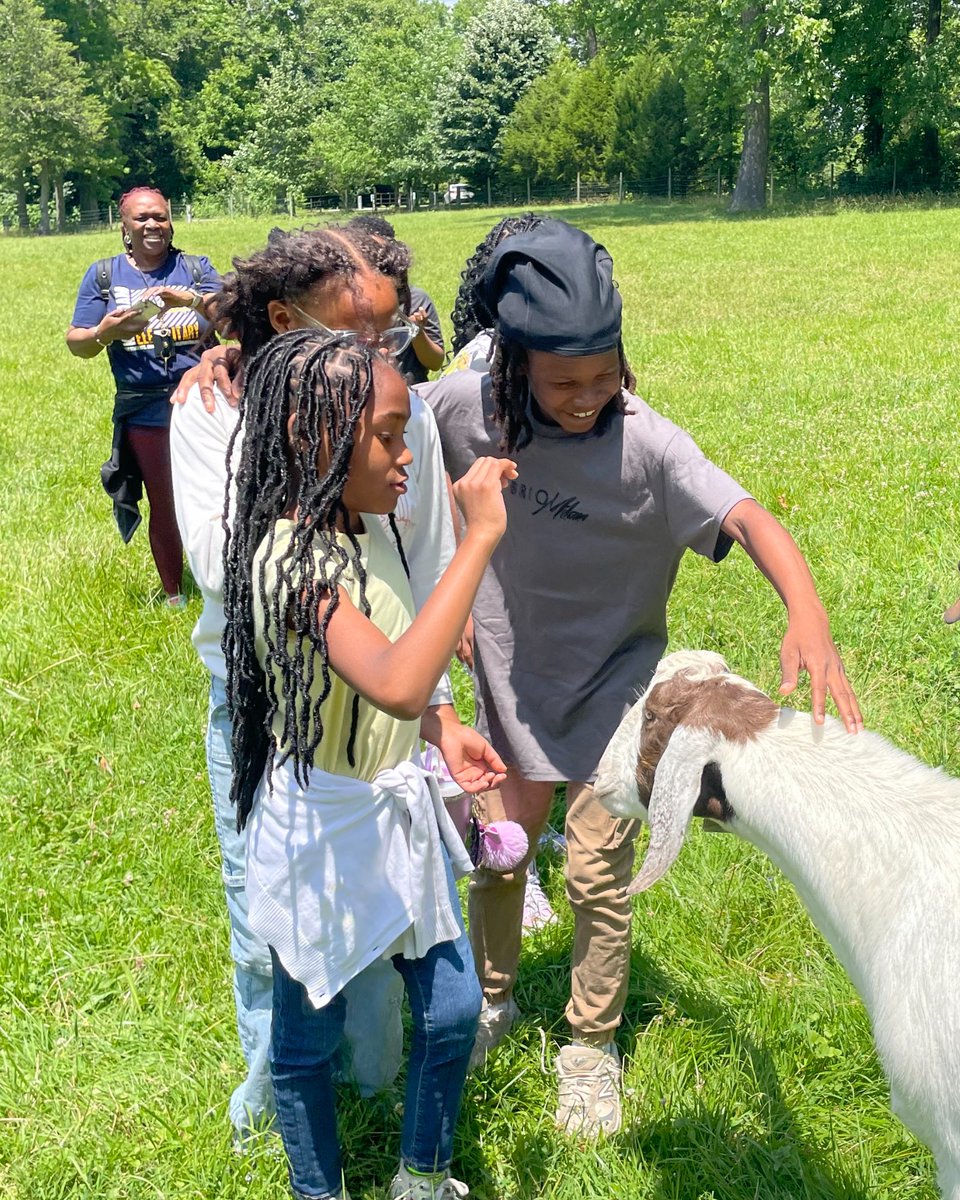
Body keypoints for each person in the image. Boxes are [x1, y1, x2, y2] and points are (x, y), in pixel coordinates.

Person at [418, 218, 863, 1138]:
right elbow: (379, 421)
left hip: (615, 697)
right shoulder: (465, 407)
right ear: (512, 367)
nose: (587, 398)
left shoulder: (650, 445)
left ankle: (591, 1045)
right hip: (505, 680)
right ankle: (491, 1000)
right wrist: (225, 368)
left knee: (595, 874)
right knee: (499, 857)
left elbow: (748, 517)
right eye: (563, 382)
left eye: (604, 374)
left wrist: (806, 611)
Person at [169, 224, 505, 1141]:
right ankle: (277, 1099)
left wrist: (436, 714)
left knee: (394, 901)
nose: (381, 358)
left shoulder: (402, 414)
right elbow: (220, 562)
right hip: (271, 710)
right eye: (359, 336)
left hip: (389, 715)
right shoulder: (216, 411)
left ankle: (370, 1083)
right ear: (283, 320)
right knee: (271, 912)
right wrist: (289, 447)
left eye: (392, 336)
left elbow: (425, 557)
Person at [223, 329, 516, 1199]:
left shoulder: (373, 529)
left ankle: (421, 1175)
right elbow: (390, 676)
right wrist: (477, 539)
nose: (405, 459)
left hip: (393, 800)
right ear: (315, 437)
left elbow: (399, 676)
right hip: (321, 820)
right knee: (305, 1035)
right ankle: (321, 1189)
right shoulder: (286, 558)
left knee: (455, 1008)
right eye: (387, 437)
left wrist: (442, 729)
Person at [66, 186, 220, 607]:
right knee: (164, 499)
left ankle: (225, 585)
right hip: (144, 407)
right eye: (142, 219)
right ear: (125, 228)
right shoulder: (105, 275)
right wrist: (106, 332)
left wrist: (185, 298)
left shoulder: (194, 267)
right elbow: (76, 342)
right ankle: (174, 595)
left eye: (160, 217)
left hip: (204, 401)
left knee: (221, 494)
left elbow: (230, 312)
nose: (153, 225)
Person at [347, 215, 445, 384]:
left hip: (410, 393)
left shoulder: (414, 299)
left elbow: (435, 362)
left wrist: (416, 332)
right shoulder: (343, 302)